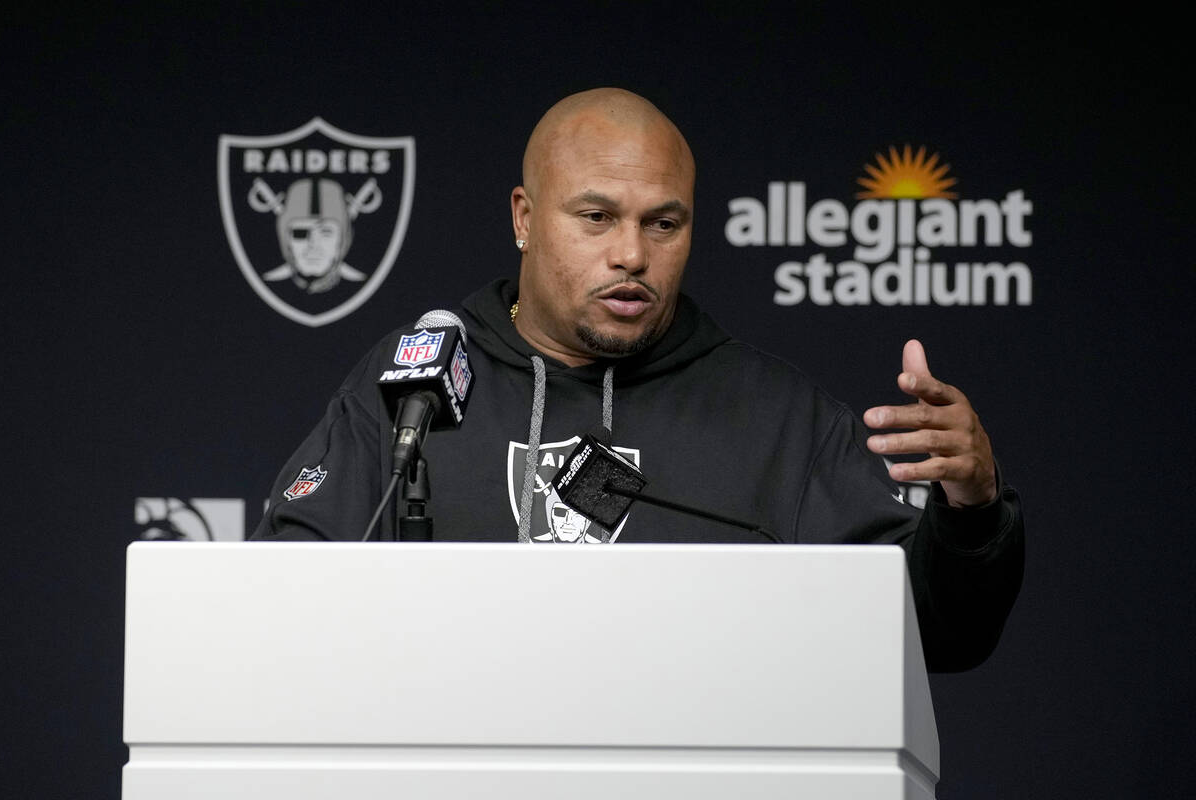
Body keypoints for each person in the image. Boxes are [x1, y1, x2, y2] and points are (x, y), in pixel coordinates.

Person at [252, 88, 1024, 672]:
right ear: (524, 218)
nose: (631, 254)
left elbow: (934, 634)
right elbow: (278, 604)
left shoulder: (776, 418)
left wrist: (972, 510)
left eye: (663, 223)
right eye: (596, 217)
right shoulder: (414, 390)